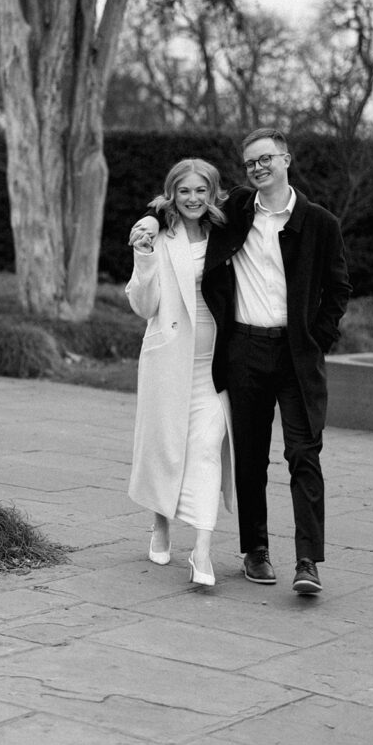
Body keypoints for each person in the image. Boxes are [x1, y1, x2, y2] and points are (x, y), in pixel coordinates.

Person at [130, 129, 351, 595]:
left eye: (266, 158)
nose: (258, 166)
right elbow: (181, 205)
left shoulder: (320, 222)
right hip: (242, 352)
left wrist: (317, 339)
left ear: (286, 159)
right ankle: (255, 550)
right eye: (250, 161)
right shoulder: (235, 212)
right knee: (248, 458)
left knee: (303, 454)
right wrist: (149, 224)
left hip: (295, 354)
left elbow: (339, 289)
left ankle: (307, 561)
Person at [126, 157, 235, 587]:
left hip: (215, 364)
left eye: (200, 190)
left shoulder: (224, 234)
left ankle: (202, 551)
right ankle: (161, 522)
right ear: (172, 194)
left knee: (208, 447)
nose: (193, 198)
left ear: (212, 193)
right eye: (184, 191)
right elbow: (143, 305)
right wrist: (144, 253)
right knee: (165, 447)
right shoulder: (156, 234)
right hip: (168, 360)